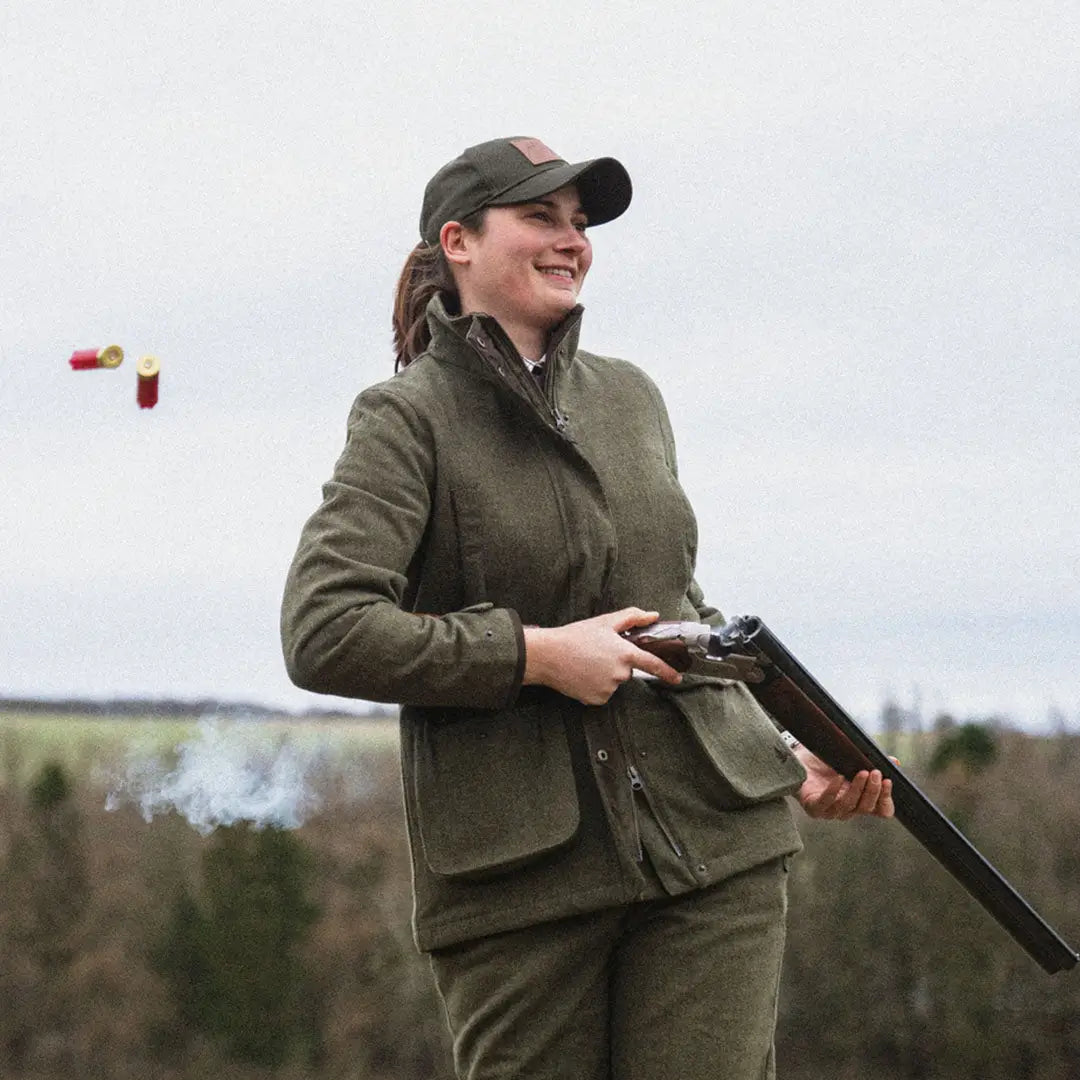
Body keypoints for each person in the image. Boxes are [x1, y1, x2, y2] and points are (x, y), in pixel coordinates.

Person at [281, 136, 894, 1080]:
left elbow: (679, 610)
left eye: (579, 223)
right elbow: (326, 630)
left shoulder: (632, 399)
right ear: (458, 241)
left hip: (715, 852)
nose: (571, 240)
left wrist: (780, 755)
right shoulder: (405, 419)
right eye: (541, 217)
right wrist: (532, 655)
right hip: (521, 887)